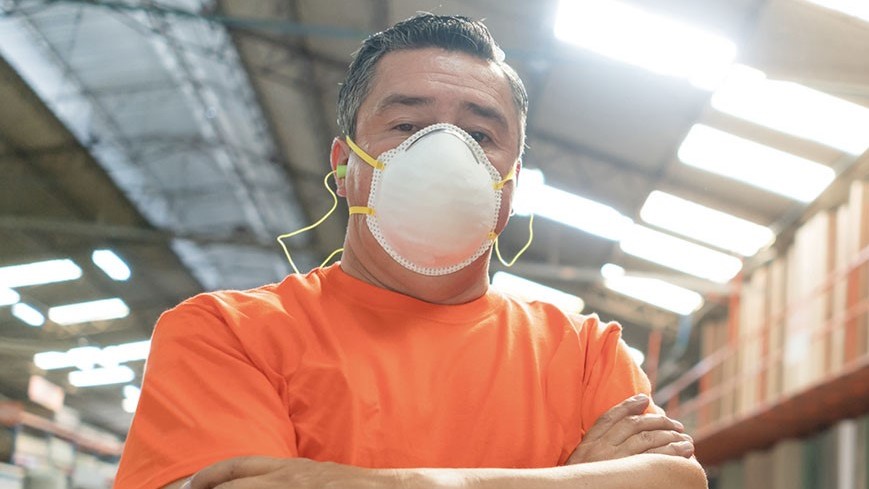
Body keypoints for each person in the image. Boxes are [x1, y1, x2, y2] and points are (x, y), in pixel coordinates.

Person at [114, 14, 706, 489]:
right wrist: (568, 479)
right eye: (406, 126)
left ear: (512, 182)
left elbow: (674, 482)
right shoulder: (225, 334)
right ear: (345, 166)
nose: (445, 152)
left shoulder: (584, 352)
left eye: (479, 135)